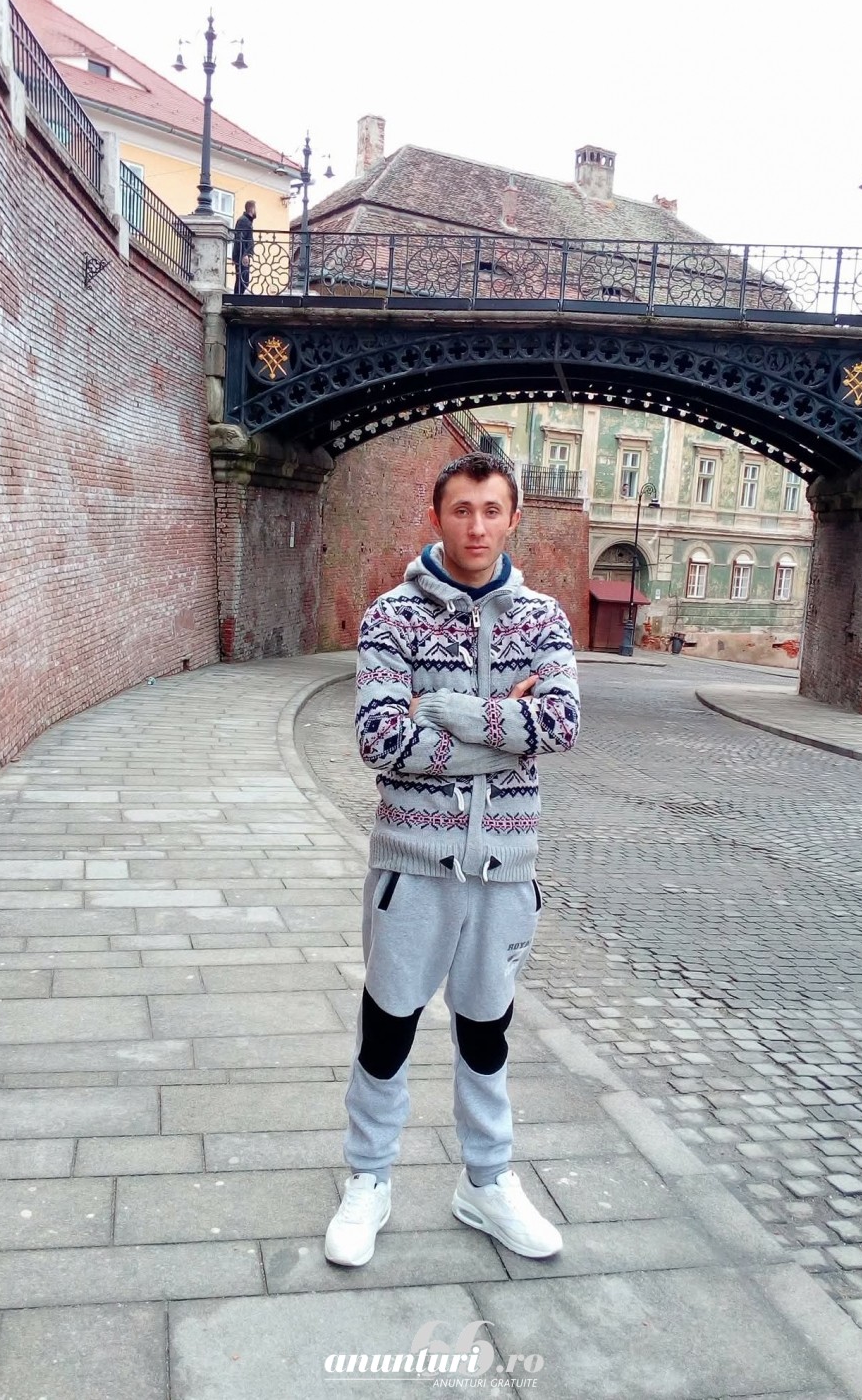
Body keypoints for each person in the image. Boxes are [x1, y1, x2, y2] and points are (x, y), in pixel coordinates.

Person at [324, 450, 581, 1267]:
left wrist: (443, 710)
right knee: (386, 1031)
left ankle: (487, 1183)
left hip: (505, 870)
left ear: (513, 519)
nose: (476, 525)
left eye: (491, 510)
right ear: (435, 516)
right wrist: (503, 727)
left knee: (485, 1036)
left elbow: (561, 725)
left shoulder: (542, 618)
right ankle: (368, 1180)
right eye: (461, 509)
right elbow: (380, 739)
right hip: (413, 868)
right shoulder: (391, 617)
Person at [232, 200, 256, 295]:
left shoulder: (246, 220)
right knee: (242, 280)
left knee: (243, 280)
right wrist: (244, 255)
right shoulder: (243, 220)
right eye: (255, 208)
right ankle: (236, 298)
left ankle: (237, 297)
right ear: (252, 209)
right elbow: (240, 238)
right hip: (242, 255)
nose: (256, 211)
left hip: (243, 255)